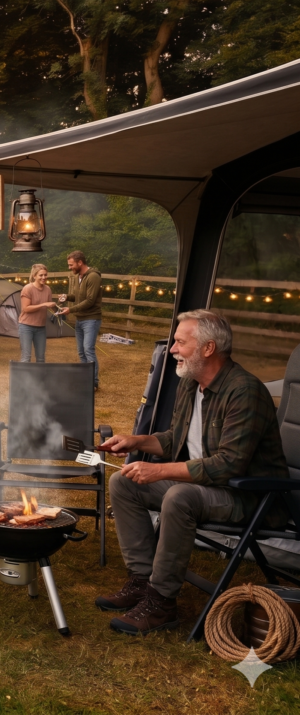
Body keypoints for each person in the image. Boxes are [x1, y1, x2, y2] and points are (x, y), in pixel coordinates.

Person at [96, 310, 289, 636]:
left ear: (208, 348)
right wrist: (135, 440)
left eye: (180, 342)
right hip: (206, 485)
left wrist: (159, 473)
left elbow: (229, 464)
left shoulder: (245, 391)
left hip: (247, 495)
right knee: (122, 482)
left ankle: (161, 603)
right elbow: (175, 440)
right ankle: (142, 581)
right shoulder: (191, 384)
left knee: (178, 494)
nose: (172, 348)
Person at [56, 250, 102, 388]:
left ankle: (93, 383)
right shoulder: (79, 277)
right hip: (80, 319)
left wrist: (71, 309)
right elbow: (79, 296)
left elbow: (89, 300)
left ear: (80, 262)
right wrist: (67, 297)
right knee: (81, 351)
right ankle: (85, 379)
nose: (70, 268)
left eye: (71, 265)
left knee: (88, 350)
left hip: (91, 319)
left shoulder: (93, 276)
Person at [18, 264, 57, 362]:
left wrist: (59, 307)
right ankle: (24, 377)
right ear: (34, 276)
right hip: (26, 326)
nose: (44, 277)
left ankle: (39, 377)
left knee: (41, 358)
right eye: (41, 275)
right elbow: (25, 308)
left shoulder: (47, 289)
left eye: (45, 275)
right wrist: (43, 304)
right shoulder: (28, 288)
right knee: (26, 358)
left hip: (41, 328)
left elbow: (51, 307)